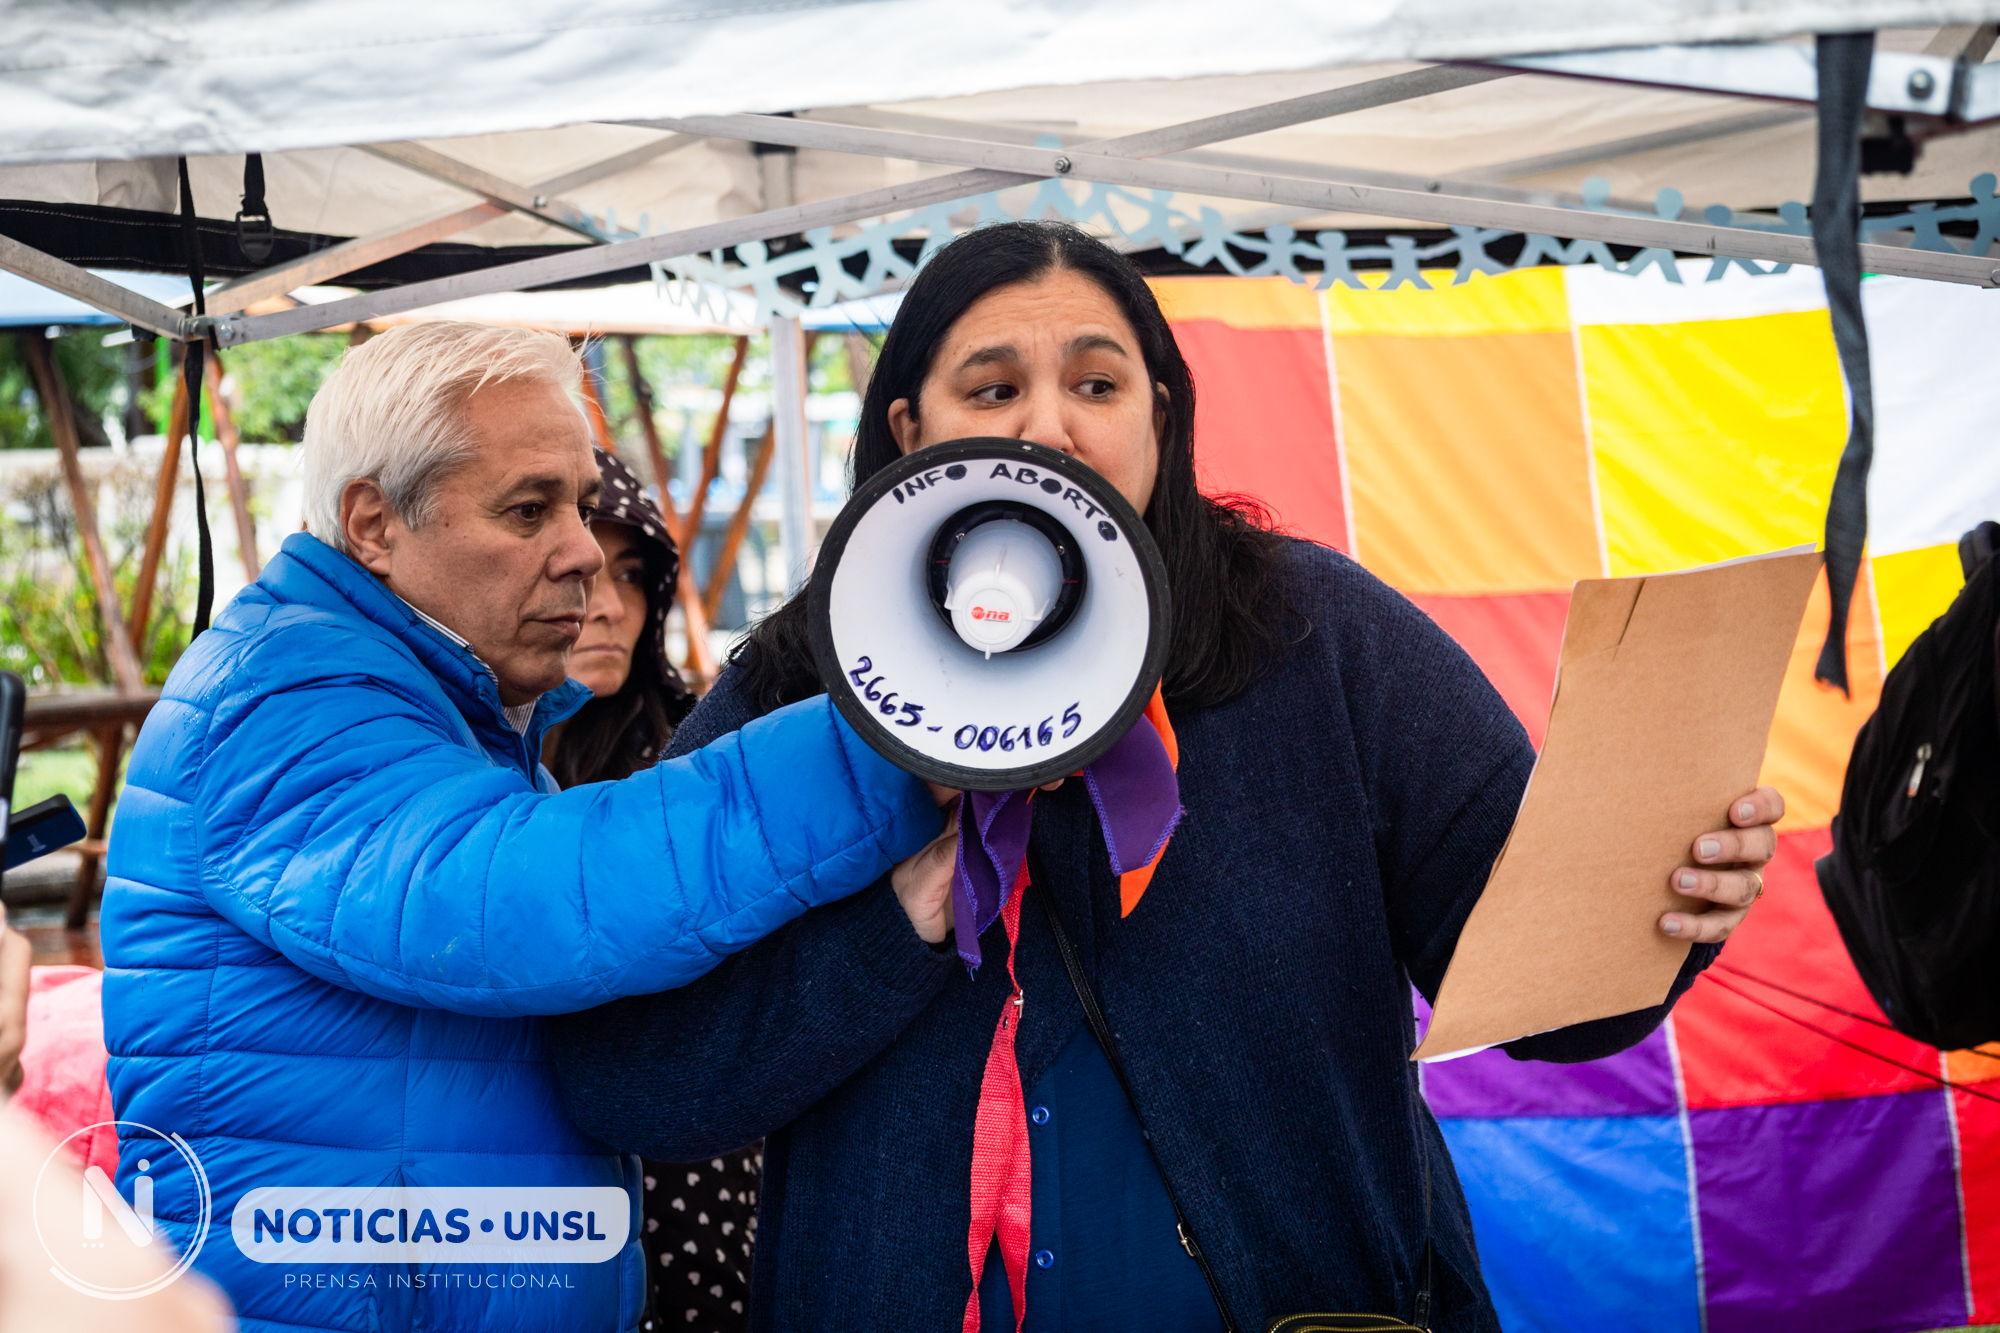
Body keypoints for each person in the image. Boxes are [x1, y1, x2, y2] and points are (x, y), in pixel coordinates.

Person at [549, 222, 1786, 1333]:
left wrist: (1661, 895)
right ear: (909, 429)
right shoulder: (792, 690)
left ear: (1159, 418)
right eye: (993, 387)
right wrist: (898, 918)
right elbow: (636, 1079)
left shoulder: (1320, 638)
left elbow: (1563, 1006)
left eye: (1096, 384)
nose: (1048, 427)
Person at [100, 322, 946, 1333]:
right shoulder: (276, 693)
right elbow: (521, 897)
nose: (583, 550)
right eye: (529, 509)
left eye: (579, 504)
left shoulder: (451, 716)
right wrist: (888, 744)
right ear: (373, 523)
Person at [542, 445, 760, 1333]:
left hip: (692, 1149)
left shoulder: (699, 753)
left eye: (632, 574)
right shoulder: (469, 768)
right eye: (583, 570)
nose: (608, 606)